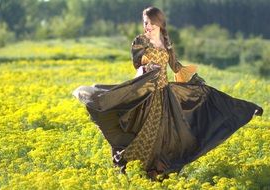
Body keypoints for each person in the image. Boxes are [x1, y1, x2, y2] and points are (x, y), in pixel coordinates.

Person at [72, 6, 263, 180]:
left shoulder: (167, 43)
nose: (146, 26)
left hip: (165, 96)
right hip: (146, 94)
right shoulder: (140, 41)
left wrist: (194, 81)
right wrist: (147, 67)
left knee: (165, 135)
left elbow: (175, 67)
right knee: (144, 133)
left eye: (148, 22)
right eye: (144, 22)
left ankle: (157, 169)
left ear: (158, 22)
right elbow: (138, 64)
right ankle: (134, 167)